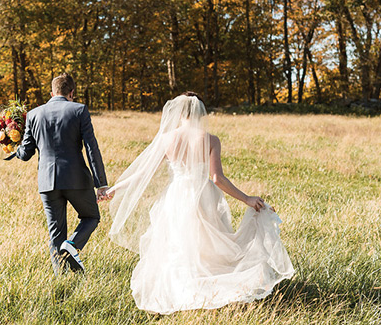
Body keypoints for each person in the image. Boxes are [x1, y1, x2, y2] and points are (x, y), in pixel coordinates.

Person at [106, 92, 294, 314]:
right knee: (207, 242)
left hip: (176, 195)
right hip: (202, 194)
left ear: (179, 112)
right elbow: (218, 179)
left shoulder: (167, 138)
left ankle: (183, 286)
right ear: (199, 112)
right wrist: (247, 199)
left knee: (179, 243)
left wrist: (113, 189)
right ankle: (211, 284)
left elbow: (143, 173)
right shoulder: (210, 139)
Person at [13, 73, 110, 275]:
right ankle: (73, 246)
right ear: (72, 93)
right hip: (76, 180)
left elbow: (25, 154)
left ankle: (61, 280)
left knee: (56, 233)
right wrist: (101, 183)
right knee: (91, 216)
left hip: (47, 182)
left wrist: (14, 146)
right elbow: (92, 148)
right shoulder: (79, 110)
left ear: (52, 92)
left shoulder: (33, 114)